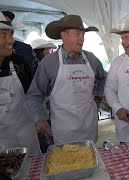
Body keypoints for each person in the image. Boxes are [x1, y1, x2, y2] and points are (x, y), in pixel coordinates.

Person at [26, 15, 106, 144]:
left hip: (88, 126)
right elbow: (34, 95)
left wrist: (98, 97)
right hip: (62, 130)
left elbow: (103, 78)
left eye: (83, 34)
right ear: (64, 35)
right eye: (77, 34)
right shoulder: (49, 63)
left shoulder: (91, 59)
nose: (82, 39)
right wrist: (39, 118)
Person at [0, 12, 41, 155]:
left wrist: (39, 118)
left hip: (26, 137)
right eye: (3, 35)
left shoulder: (19, 63)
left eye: (10, 34)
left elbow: (34, 95)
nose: (10, 40)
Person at [2, 11, 38, 75]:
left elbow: (33, 73)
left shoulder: (25, 50)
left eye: (9, 23)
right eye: (3, 34)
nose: (10, 41)